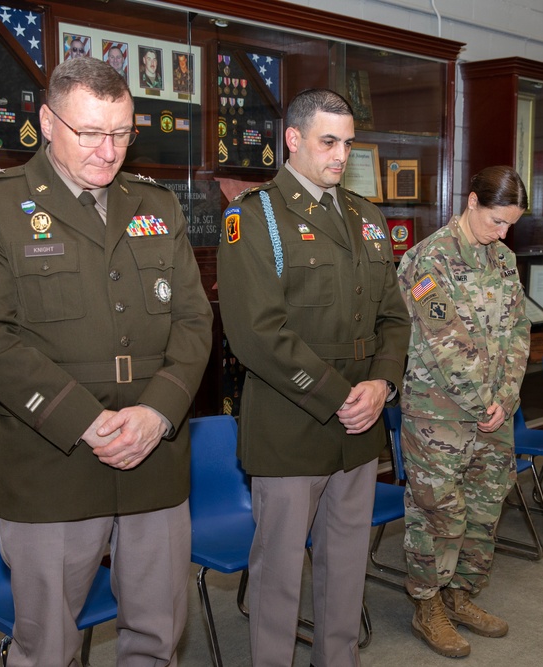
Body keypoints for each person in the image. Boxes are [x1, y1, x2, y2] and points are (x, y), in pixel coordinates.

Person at [0, 56, 213, 666]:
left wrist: (158, 411)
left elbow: (194, 322)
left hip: (154, 456)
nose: (108, 150)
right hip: (56, 461)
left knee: (157, 634)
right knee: (48, 646)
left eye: (121, 133)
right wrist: (86, 421)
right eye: (89, 133)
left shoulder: (157, 204)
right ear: (47, 121)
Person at [216, 88, 409, 667]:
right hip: (290, 426)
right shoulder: (254, 217)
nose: (341, 155)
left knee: (347, 570)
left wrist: (381, 386)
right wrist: (339, 395)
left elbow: (393, 318)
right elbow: (256, 333)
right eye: (329, 141)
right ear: (293, 140)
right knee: (278, 578)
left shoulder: (365, 217)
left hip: (359, 427)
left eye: (348, 143)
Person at [397, 166, 530, 658]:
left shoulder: (504, 259)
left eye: (511, 224)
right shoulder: (429, 259)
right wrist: (484, 402)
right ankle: (427, 603)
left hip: (493, 411)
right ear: (471, 201)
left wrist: (507, 399)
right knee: (439, 513)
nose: (503, 232)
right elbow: (446, 343)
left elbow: (519, 331)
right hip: (441, 414)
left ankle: (461, 594)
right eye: (497, 220)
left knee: (485, 504)